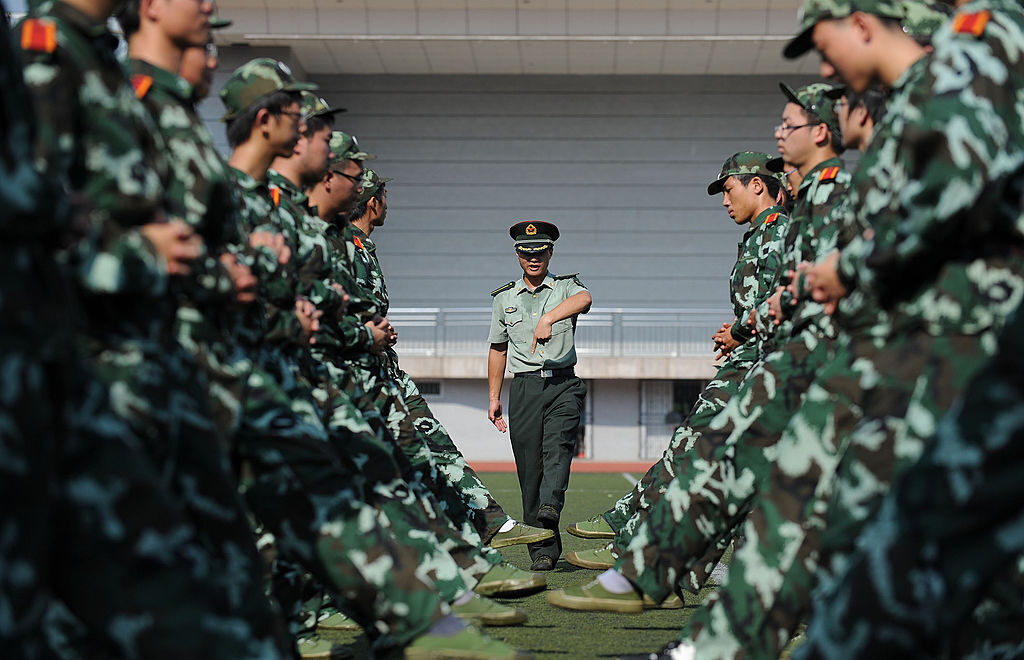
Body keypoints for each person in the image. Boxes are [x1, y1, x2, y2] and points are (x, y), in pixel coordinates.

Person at [565, 152, 789, 603]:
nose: (724, 201)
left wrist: (743, 329)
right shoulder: (754, 238)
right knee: (717, 462)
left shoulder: (784, 234)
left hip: (770, 363)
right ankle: (656, 556)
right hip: (749, 357)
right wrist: (739, 333)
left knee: (702, 449)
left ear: (757, 185)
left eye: (729, 190)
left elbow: (791, 299)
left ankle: (632, 536)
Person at [487, 221, 592, 571]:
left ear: (551, 252)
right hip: (525, 388)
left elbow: (585, 298)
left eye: (541, 251)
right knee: (529, 471)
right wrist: (494, 396)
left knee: (559, 448)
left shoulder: (566, 287)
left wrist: (549, 317)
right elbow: (497, 349)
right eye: (526, 252)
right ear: (517, 254)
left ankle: (551, 505)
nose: (534, 258)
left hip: (564, 384)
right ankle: (543, 550)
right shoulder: (504, 298)